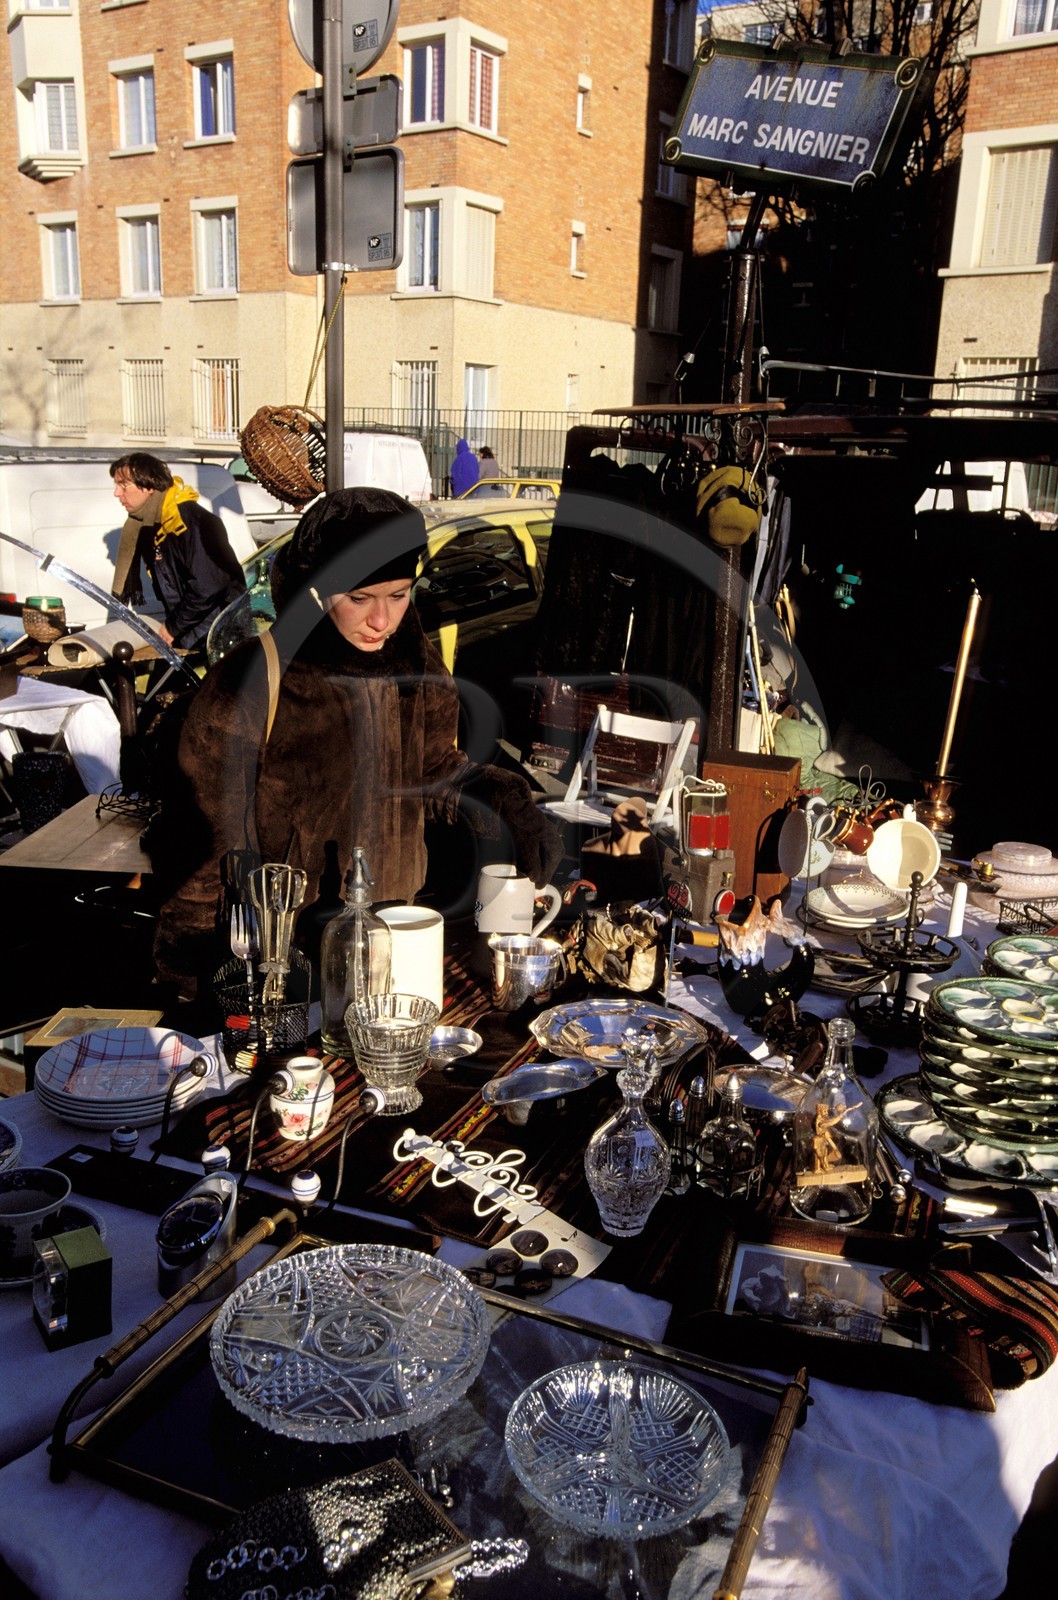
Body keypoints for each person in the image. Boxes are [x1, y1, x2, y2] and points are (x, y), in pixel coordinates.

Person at [148, 486, 561, 992]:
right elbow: (203, 834)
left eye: (398, 594)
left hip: (399, 934)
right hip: (288, 958)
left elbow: (434, 771)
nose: (381, 621)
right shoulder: (255, 678)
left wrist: (501, 799)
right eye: (359, 598)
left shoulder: (418, 667)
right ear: (318, 588)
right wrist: (188, 957)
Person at [109, 452, 246, 650]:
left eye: (124, 485)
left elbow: (208, 586)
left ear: (149, 486)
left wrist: (172, 628)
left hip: (216, 638)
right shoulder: (151, 524)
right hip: (192, 635)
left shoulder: (191, 522)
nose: (117, 493)